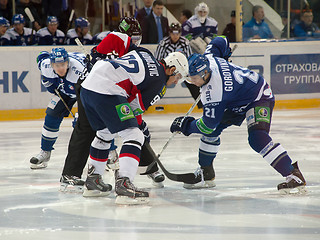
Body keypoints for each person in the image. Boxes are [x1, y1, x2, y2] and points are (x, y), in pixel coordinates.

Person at [169, 40, 307, 195]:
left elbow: (207, 125)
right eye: (190, 77)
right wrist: (225, 52)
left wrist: (185, 125)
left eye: (195, 79)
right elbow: (219, 41)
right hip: (234, 100)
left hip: (257, 97)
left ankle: (292, 174)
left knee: (257, 138)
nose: (192, 82)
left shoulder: (214, 93)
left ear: (205, 73)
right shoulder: (209, 57)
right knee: (211, 133)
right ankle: (205, 172)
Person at [60, 17, 164, 192]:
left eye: (138, 38)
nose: (136, 42)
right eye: (133, 38)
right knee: (92, 129)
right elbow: (109, 44)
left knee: (112, 131)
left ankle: (146, 167)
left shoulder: (129, 48)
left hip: (104, 89)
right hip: (97, 87)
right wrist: (96, 55)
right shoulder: (119, 39)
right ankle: (71, 174)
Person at [80, 49, 189, 204]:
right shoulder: (159, 82)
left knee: (104, 133)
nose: (176, 81)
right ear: (171, 69)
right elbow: (135, 107)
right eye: (177, 77)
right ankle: (124, 185)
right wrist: (140, 127)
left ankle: (93, 181)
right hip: (108, 91)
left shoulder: (147, 54)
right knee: (134, 135)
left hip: (88, 87)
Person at [30, 48, 86, 169]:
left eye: (63, 65)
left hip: (86, 92)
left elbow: (87, 95)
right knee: (51, 115)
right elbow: (41, 56)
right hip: (65, 91)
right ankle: (45, 152)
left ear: (68, 63)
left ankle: (109, 153)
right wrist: (48, 83)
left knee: (90, 122)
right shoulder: (46, 66)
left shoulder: (79, 71)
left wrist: (81, 114)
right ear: (51, 64)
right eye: (56, 65)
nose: (60, 68)